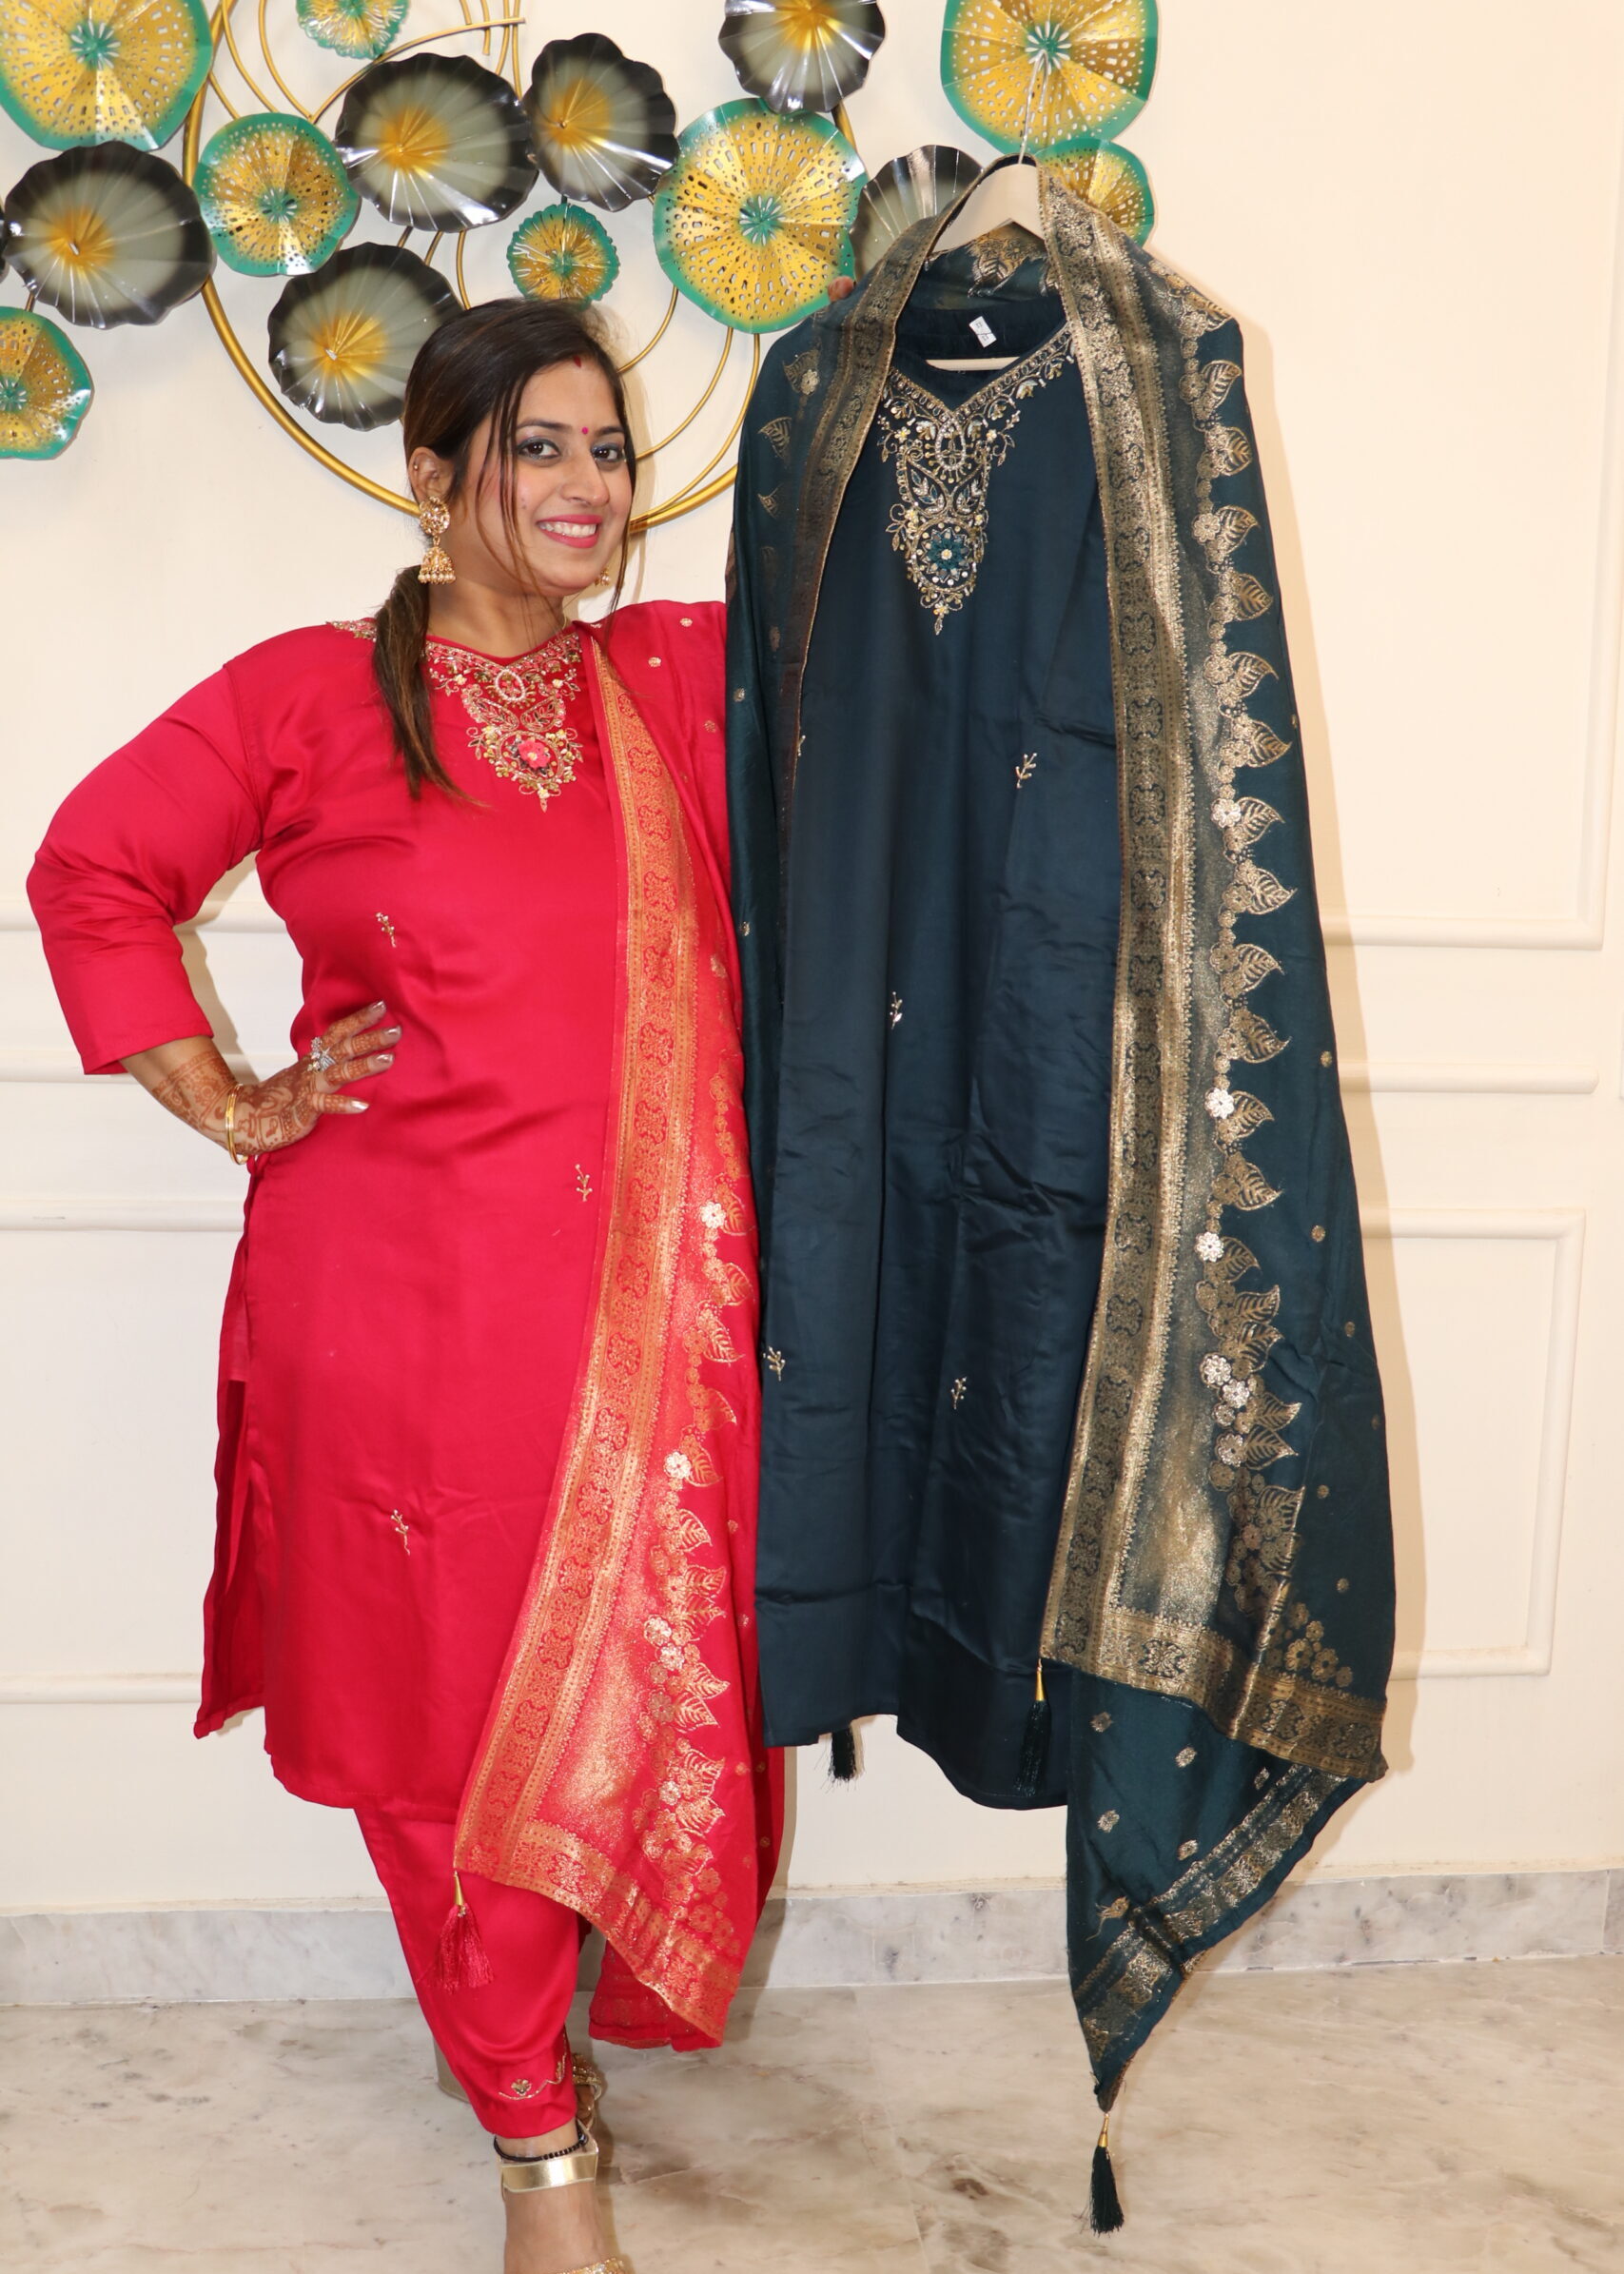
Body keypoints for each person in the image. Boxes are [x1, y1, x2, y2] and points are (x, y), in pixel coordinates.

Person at [29, 297, 779, 2274]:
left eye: (607, 449)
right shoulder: (307, 697)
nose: (587, 487)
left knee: (615, 1676)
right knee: (446, 1722)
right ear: (432, 476)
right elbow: (91, 868)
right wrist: (228, 1098)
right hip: (399, 1304)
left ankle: (526, 2037)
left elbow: (906, 686)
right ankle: (539, 2146)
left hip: (637, 1313)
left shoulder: (676, 682)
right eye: (539, 448)